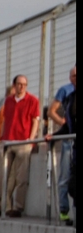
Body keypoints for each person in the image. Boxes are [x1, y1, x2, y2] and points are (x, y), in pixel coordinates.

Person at [0, 75, 41, 217]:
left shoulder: (33, 100)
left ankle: (18, 207)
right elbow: (5, 121)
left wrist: (31, 139)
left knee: (21, 178)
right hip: (8, 141)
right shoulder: (8, 101)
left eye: (24, 84)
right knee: (3, 176)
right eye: (19, 84)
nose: (21, 87)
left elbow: (35, 121)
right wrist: (2, 138)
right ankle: (4, 205)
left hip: (23, 142)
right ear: (14, 85)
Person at [47, 65, 76, 224]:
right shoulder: (66, 92)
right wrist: (61, 125)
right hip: (69, 141)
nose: (75, 78)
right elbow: (51, 111)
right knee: (65, 177)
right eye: (73, 76)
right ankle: (64, 212)